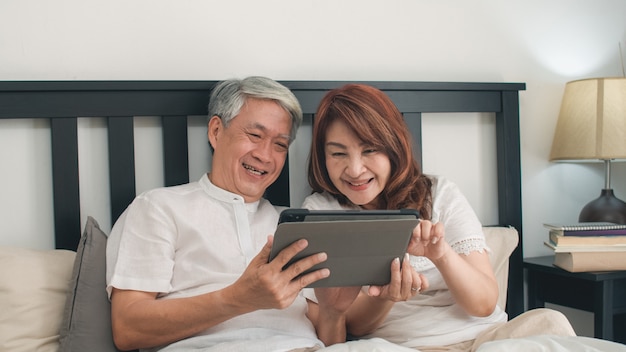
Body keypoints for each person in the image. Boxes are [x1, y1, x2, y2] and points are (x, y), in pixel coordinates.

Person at [302, 84, 576, 351]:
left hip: (487, 337)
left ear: (393, 148)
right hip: (406, 345)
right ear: (322, 156)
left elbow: (483, 304)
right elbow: (353, 325)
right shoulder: (320, 213)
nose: (355, 169)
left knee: (550, 322)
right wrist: (386, 297)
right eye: (338, 153)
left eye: (369, 150)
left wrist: (441, 254)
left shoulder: (439, 192)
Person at [105, 76, 361, 352]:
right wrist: (239, 299)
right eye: (255, 136)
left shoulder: (295, 224)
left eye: (280, 145)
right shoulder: (158, 208)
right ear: (216, 131)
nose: (265, 155)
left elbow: (330, 341)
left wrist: (333, 312)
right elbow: (127, 329)